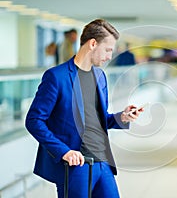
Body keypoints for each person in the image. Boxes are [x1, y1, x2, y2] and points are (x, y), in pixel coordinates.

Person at [25, 19, 143, 198]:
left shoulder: (100, 76)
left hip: (103, 163)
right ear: (93, 44)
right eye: (108, 50)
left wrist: (122, 117)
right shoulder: (57, 77)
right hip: (75, 165)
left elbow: (98, 119)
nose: (110, 56)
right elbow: (34, 121)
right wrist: (63, 151)